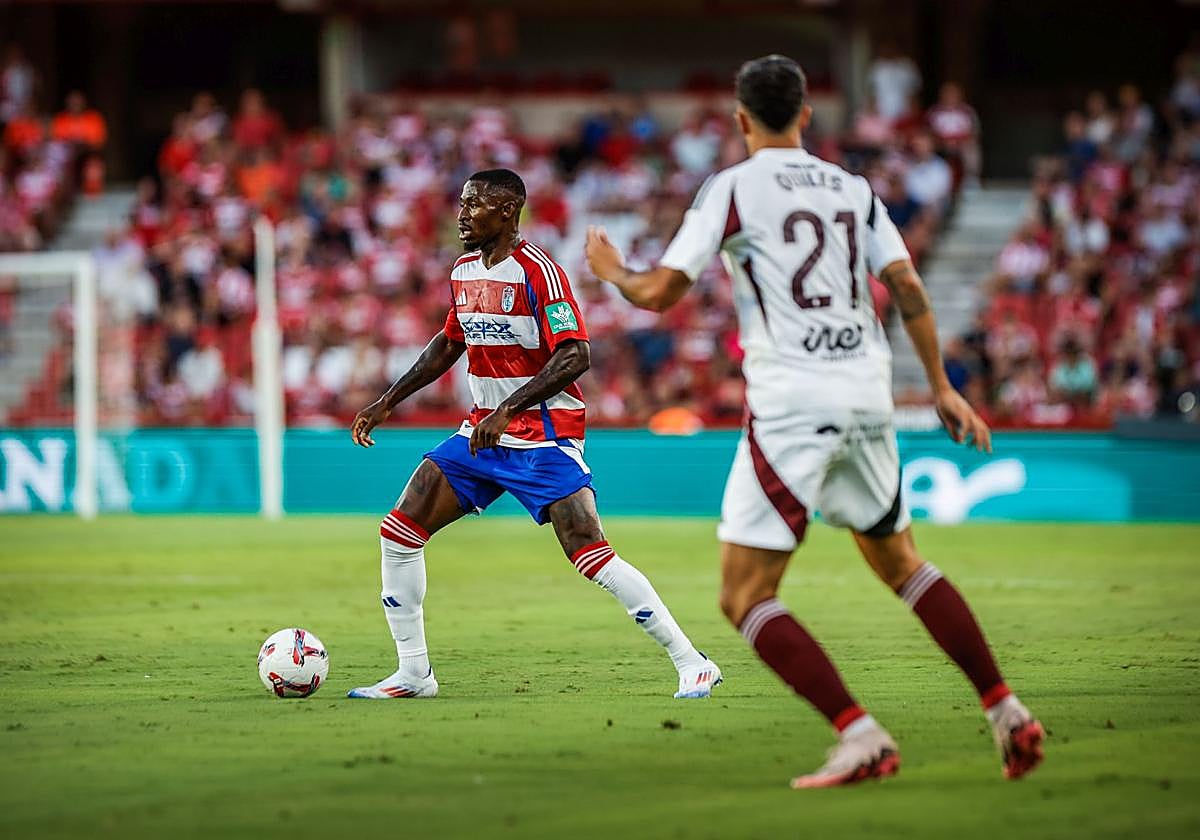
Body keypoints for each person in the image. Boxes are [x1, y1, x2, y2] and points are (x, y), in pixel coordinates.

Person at [585, 55, 1044, 788]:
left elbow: (662, 291)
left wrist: (613, 271)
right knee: (903, 564)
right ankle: (1006, 710)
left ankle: (860, 736)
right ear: (805, 116)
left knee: (743, 596)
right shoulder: (854, 189)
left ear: (740, 120)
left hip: (794, 400)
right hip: (869, 390)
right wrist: (943, 389)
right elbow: (907, 285)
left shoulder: (731, 187)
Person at [347, 168, 721, 701]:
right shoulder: (462, 271)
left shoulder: (540, 271)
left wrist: (510, 408)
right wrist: (388, 400)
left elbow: (576, 353)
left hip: (544, 435)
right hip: (481, 431)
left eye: (473, 205)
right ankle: (414, 674)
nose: (461, 215)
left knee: (590, 552)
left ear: (507, 211)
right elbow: (447, 344)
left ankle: (692, 662)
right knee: (399, 533)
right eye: (461, 203)